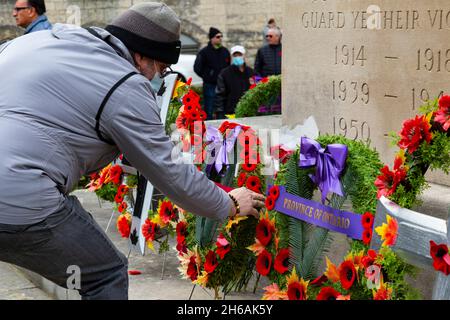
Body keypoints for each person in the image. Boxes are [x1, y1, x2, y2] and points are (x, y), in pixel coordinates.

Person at [0, 2, 264, 300]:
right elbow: (169, 170)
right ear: (141, 55)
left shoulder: (34, 42)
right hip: (19, 199)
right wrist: (227, 203)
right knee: (105, 274)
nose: (158, 78)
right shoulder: (124, 84)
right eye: (161, 68)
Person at [194, 27, 230, 120]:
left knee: (223, 109)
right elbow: (197, 68)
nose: (220, 38)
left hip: (223, 85)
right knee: (209, 109)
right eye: (218, 37)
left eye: (221, 36)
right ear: (212, 38)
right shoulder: (204, 52)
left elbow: (228, 67)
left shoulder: (225, 52)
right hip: (210, 85)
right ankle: (208, 130)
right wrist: (208, 76)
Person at [215, 45, 255, 119]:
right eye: (235, 55)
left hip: (248, 111)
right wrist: (220, 112)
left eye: (239, 55)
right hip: (231, 112)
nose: (237, 57)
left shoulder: (251, 72)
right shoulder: (225, 73)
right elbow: (220, 94)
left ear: (244, 56)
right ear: (231, 57)